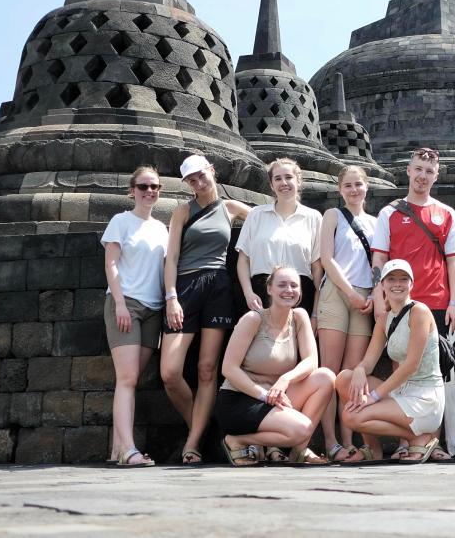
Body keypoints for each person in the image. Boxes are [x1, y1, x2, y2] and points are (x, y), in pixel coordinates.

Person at [370, 146, 455, 461]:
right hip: (399, 303)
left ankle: (431, 442)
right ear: (408, 171)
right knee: (400, 369)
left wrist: (454, 301)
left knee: (433, 374)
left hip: (436, 301)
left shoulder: (446, 213)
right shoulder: (389, 212)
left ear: (436, 176)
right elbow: (379, 257)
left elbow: (454, 262)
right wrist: (377, 296)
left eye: (429, 172)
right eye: (418, 170)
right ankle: (406, 440)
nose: (422, 176)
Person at [161, 154, 251, 465]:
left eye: (202, 175)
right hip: (185, 286)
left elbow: (267, 222)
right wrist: (171, 296)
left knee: (206, 369)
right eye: (191, 180)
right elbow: (170, 258)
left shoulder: (231, 208)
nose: (198, 183)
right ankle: (204, 428)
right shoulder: (182, 212)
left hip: (218, 286)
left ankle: (193, 442)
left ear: (212, 171)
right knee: (170, 372)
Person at [216, 265, 335, 466]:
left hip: (276, 396)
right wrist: (264, 395)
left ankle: (298, 451)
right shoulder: (253, 319)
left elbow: (311, 361)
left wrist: (285, 379)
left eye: (293, 285)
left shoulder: (299, 317)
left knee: (325, 377)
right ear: (269, 289)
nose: (288, 290)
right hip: (241, 400)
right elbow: (228, 368)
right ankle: (236, 441)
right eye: (282, 285)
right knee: (301, 429)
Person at [334, 259, 444, 464]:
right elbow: (368, 360)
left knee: (352, 417)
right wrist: (359, 370)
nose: (397, 284)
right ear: (382, 285)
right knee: (344, 379)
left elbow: (411, 365)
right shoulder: (384, 319)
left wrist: (374, 396)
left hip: (424, 397)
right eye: (391, 279)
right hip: (401, 392)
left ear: (412, 284)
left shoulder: (419, 311)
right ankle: (373, 450)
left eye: (403, 279)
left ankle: (418, 438)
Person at [101, 165, 169, 467]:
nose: (149, 191)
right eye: (143, 187)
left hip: (153, 308)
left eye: (154, 186)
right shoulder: (121, 221)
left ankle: (117, 448)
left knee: (132, 379)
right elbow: (111, 265)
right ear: (132, 191)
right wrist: (119, 304)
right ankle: (129, 450)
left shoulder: (161, 228)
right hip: (126, 303)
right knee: (127, 378)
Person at [316, 165, 376, 462]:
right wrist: (349, 293)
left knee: (352, 375)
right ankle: (330, 441)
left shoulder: (377, 223)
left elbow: (379, 263)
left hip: (365, 296)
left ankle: (349, 438)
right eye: (348, 186)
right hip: (338, 292)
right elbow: (326, 258)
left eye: (358, 185)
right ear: (341, 190)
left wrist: (373, 292)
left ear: (367, 188)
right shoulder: (333, 216)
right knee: (329, 371)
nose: (354, 190)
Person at [236, 158, 323, 318]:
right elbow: (243, 260)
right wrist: (248, 293)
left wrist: (316, 312)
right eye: (277, 178)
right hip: (260, 293)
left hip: (299, 293)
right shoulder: (256, 215)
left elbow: (317, 268)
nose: (284, 182)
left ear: (298, 181)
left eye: (289, 177)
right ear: (271, 185)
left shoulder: (314, 217)